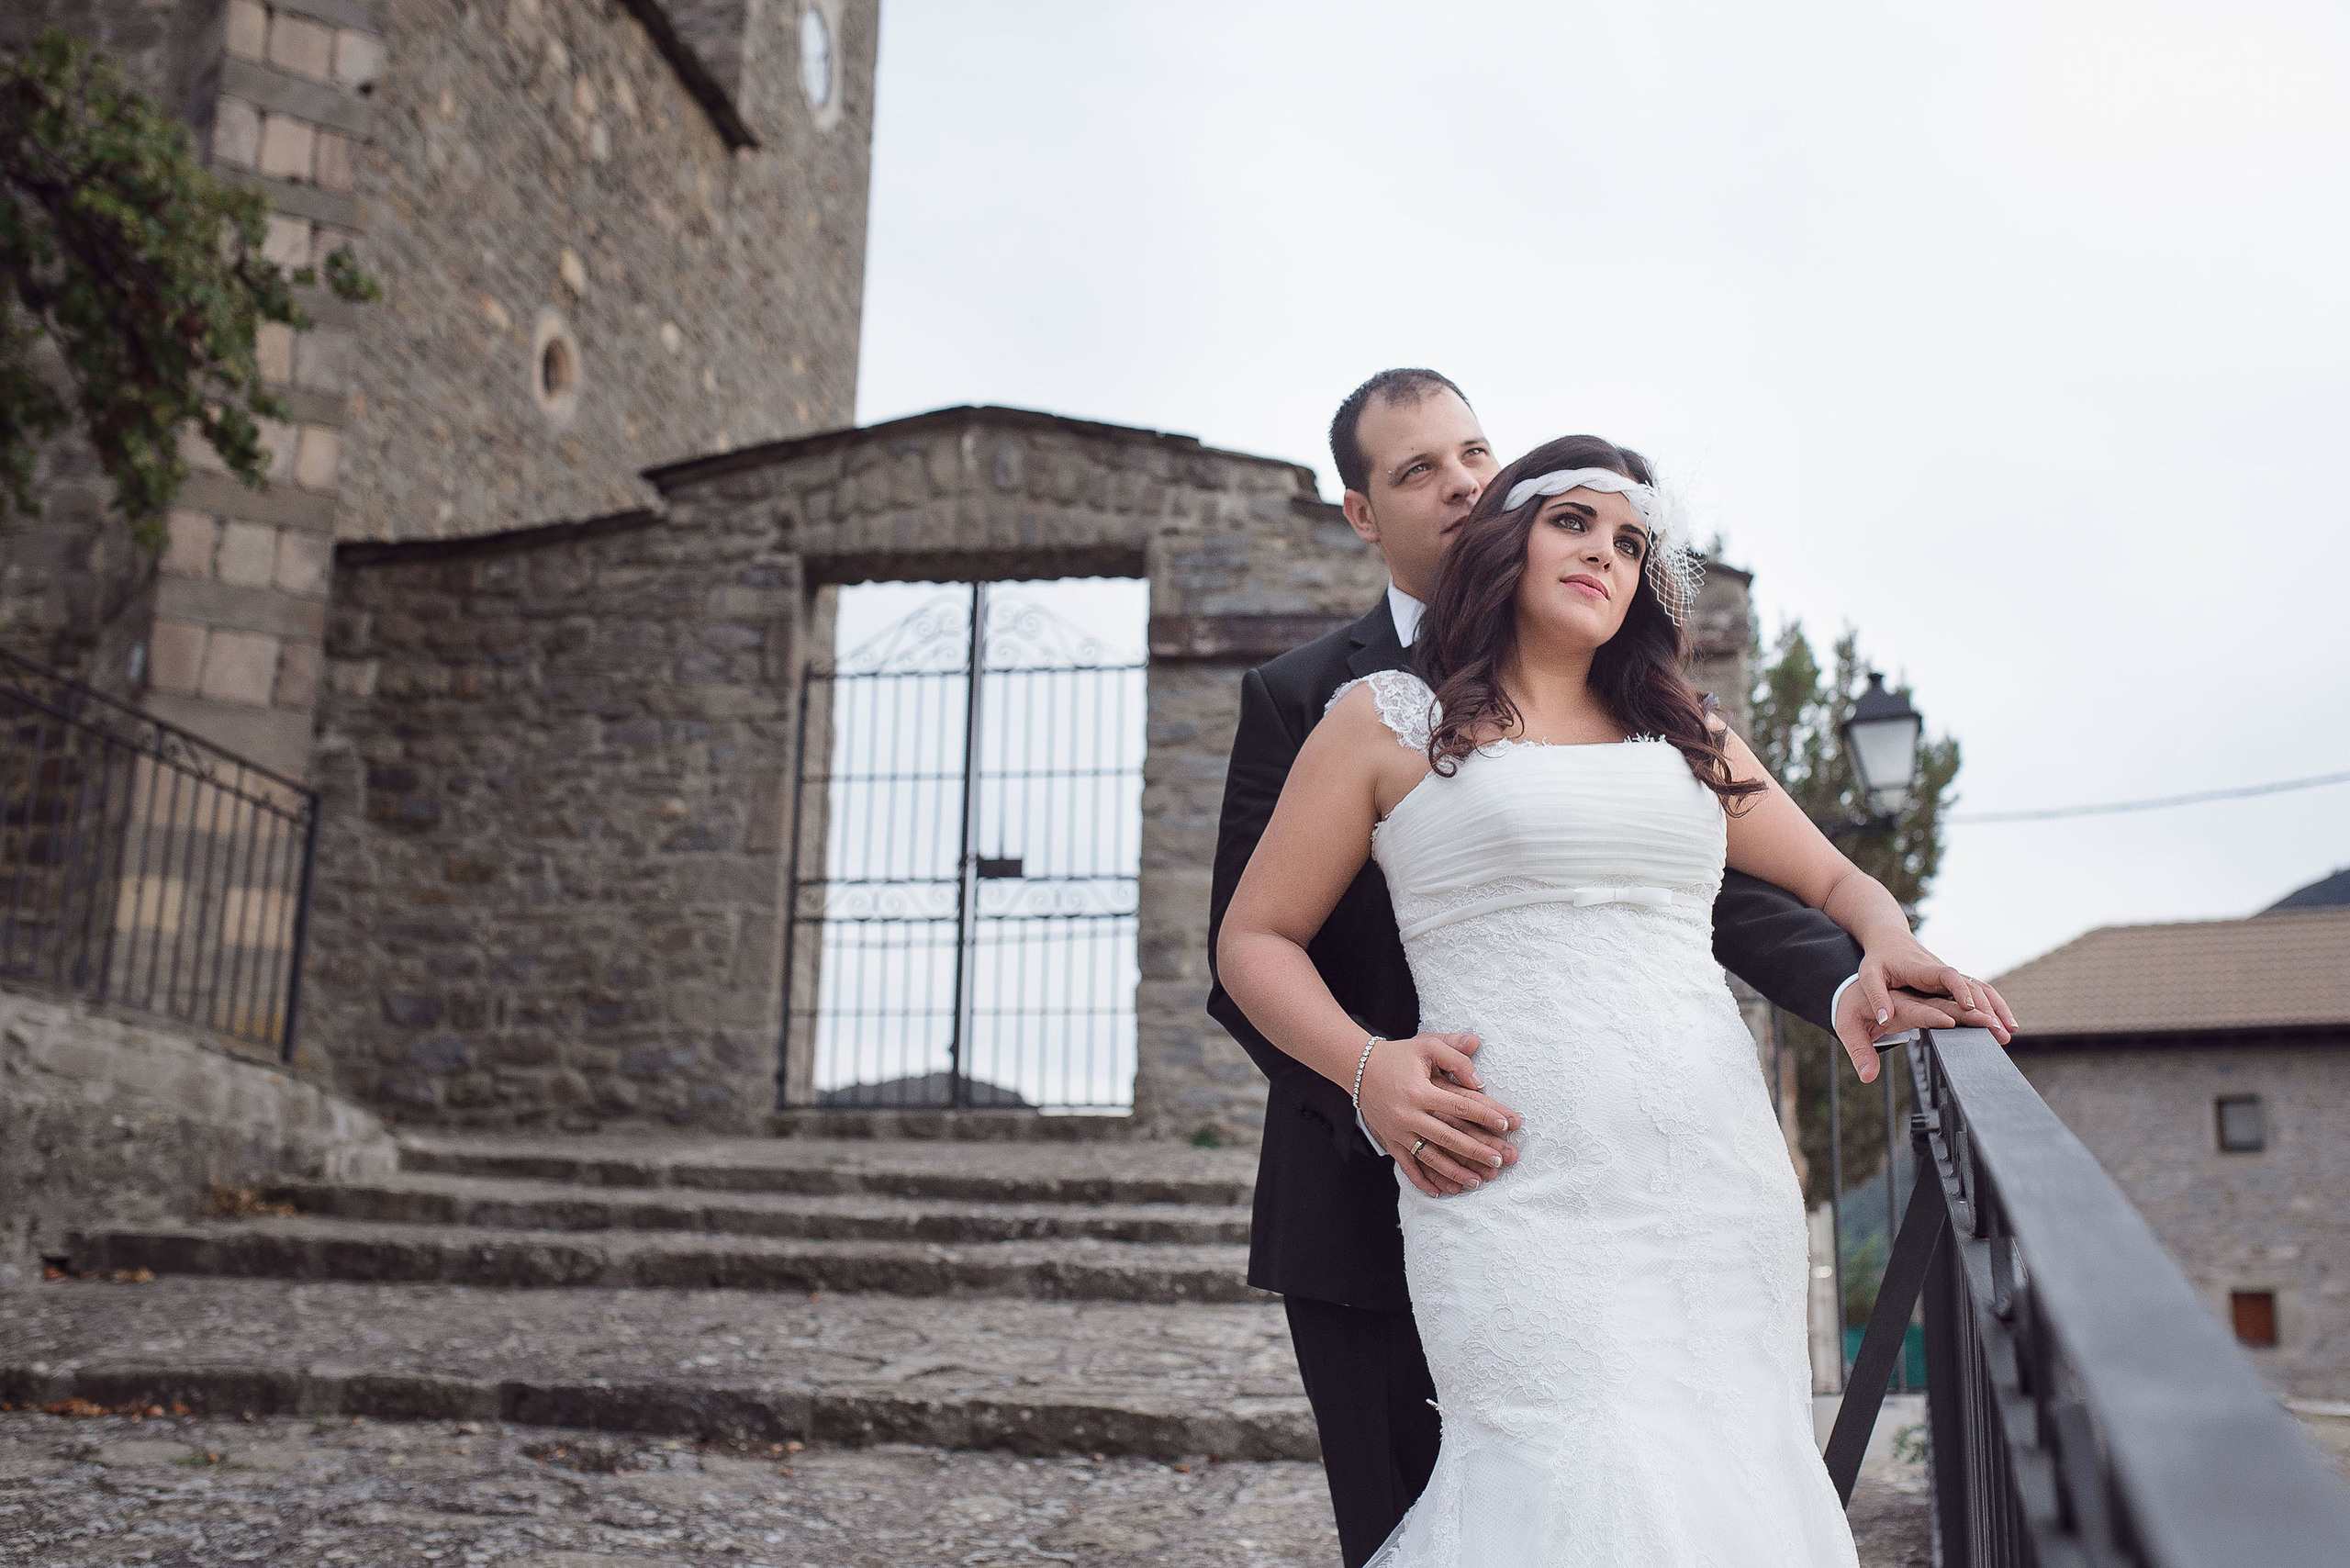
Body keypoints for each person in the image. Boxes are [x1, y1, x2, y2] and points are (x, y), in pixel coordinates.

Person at [1203, 375, 2013, 1565]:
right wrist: (1370, 1074)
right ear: (1376, 513)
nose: (1603, 551)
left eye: (1631, 538)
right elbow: (1250, 940)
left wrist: (1881, 956)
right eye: (1573, 520)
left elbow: (1820, 884)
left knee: (1724, 1479)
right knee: (1557, 1480)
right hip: (1500, 1183)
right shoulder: (1368, 713)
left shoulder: (1678, 729)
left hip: (1710, 1180)